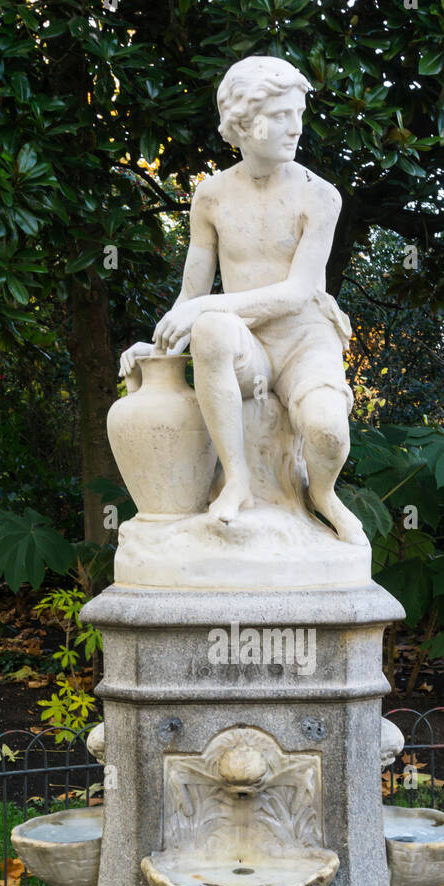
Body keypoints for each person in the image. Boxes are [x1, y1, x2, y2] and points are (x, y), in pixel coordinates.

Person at [119, 55, 366, 545]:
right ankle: (237, 481)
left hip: (304, 340)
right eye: (280, 116)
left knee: (328, 432)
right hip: (246, 343)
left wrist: (203, 309)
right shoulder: (211, 197)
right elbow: (192, 296)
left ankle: (322, 494)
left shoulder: (321, 196)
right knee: (209, 326)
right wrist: (159, 348)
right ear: (243, 124)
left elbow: (297, 293)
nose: (295, 128)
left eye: (298, 113)